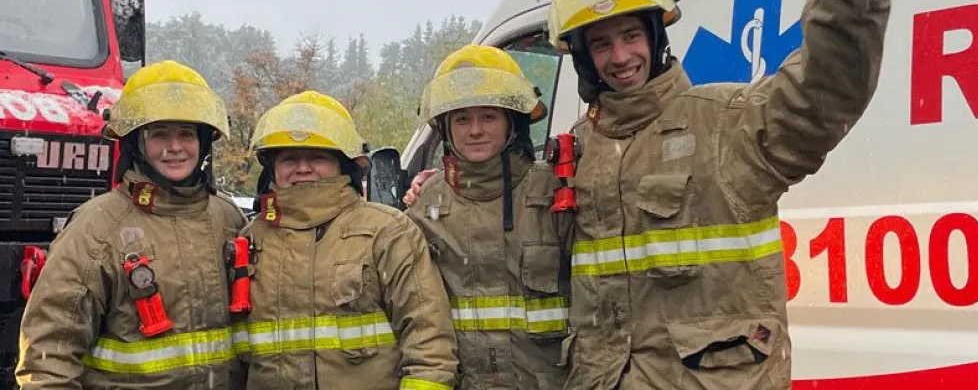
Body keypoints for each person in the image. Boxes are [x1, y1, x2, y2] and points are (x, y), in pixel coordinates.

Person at [544, 0, 978, 389]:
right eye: (601, 44)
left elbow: (823, 89)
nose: (620, 57)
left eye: (631, 36)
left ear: (655, 36)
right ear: (584, 60)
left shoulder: (725, 122)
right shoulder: (576, 153)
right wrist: (427, 186)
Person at [15, 60, 249, 389]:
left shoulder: (228, 219)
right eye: (159, 134)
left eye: (186, 134)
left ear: (203, 143)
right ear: (136, 143)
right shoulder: (96, 227)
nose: (175, 147)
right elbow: (49, 351)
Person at [234, 90, 458, 389]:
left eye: (317, 157)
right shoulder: (252, 240)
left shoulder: (387, 231)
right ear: (272, 166)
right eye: (289, 158)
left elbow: (429, 344)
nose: (302, 168)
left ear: (343, 164)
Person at [404, 45, 573, 389]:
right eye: (462, 118)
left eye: (489, 116)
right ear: (445, 128)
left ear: (513, 122)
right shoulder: (425, 207)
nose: (475, 130)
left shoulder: (554, 191)